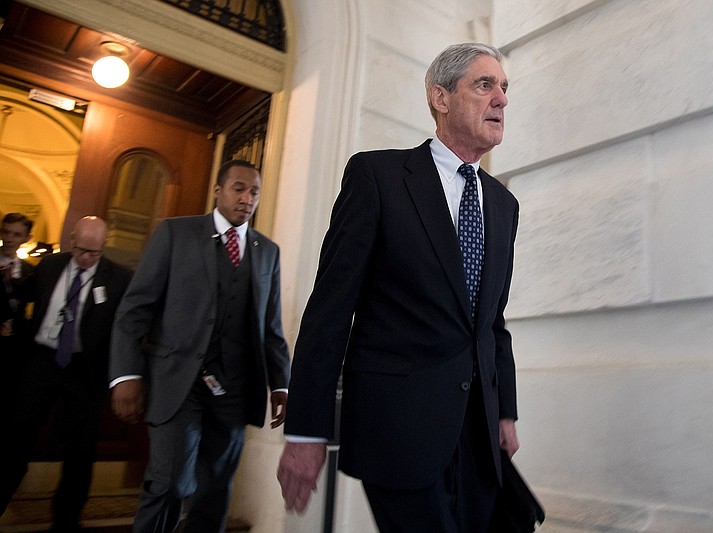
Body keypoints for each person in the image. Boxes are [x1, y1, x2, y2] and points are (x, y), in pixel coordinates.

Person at [277, 42, 520, 532]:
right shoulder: (378, 177)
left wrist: (505, 411)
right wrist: (306, 431)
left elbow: (491, 322)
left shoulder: (503, 204)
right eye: (484, 84)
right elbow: (329, 308)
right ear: (440, 96)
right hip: (397, 429)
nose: (501, 99)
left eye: (504, 87)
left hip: (477, 433)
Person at [109, 159, 291, 533]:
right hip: (178, 383)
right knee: (171, 480)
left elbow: (270, 329)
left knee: (216, 489)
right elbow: (135, 309)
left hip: (235, 390)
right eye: (238, 188)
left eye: (254, 191)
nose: (247, 198)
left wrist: (282, 383)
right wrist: (126, 374)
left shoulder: (267, 251)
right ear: (218, 190)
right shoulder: (176, 234)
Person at [0, 216, 132, 532]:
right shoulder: (49, 266)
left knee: (80, 453)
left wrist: (124, 376)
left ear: (103, 247)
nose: (86, 258)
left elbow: (127, 328)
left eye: (94, 253)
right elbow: (21, 296)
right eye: (81, 249)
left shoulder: (118, 279)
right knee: (16, 438)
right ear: (72, 241)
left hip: (84, 371)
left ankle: (66, 520)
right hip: (41, 362)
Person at [0, 213, 35, 348]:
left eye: (16, 235)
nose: (9, 239)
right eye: (6, 232)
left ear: (26, 238)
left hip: (15, 343)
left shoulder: (30, 271)